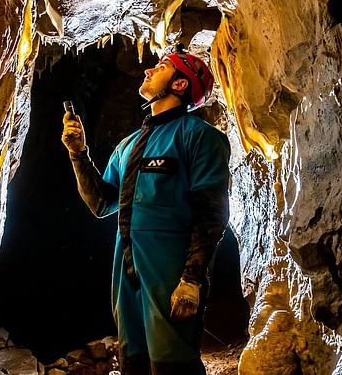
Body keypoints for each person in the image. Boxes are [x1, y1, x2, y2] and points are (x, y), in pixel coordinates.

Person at [61, 46, 231, 375]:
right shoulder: (128, 145)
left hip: (168, 267)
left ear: (180, 84)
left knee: (172, 362)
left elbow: (211, 214)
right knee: (133, 361)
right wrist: (78, 155)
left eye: (162, 67)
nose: (148, 71)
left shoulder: (200, 138)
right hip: (125, 266)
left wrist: (191, 279)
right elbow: (100, 203)